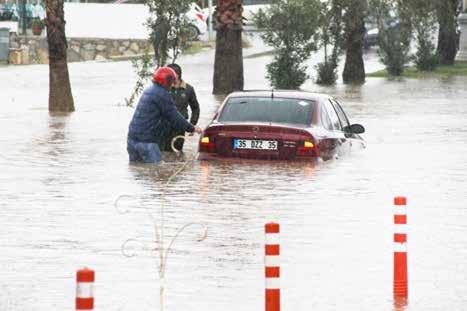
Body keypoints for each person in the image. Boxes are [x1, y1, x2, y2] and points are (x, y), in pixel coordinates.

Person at [127, 66, 202, 164]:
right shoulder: (161, 94)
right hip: (147, 142)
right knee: (157, 171)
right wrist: (192, 128)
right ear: (167, 81)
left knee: (139, 174)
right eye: (172, 82)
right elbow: (174, 116)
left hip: (132, 140)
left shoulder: (149, 90)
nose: (172, 85)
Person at [160, 63, 200, 152]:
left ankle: (176, 166)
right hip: (164, 126)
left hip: (180, 127)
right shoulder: (163, 88)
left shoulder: (188, 89)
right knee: (162, 152)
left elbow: (195, 108)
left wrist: (192, 124)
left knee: (177, 152)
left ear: (176, 75)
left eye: (168, 75)